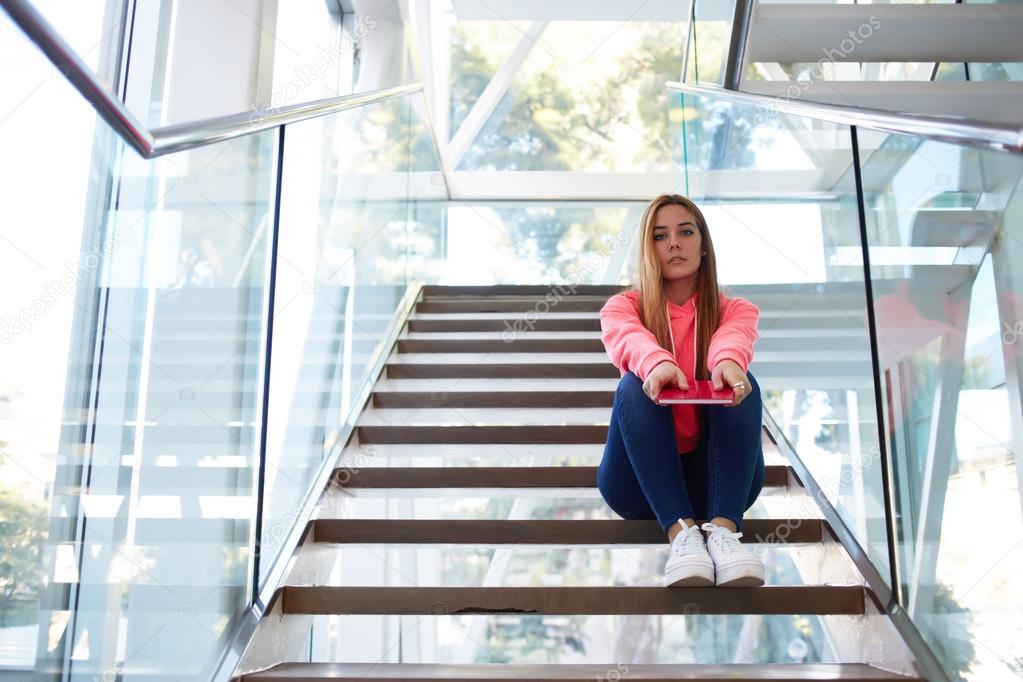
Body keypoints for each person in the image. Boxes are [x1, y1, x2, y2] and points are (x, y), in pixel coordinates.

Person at [597, 194, 766, 588]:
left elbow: (734, 338)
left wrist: (728, 364)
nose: (674, 243)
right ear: (648, 249)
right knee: (634, 383)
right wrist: (657, 364)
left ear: (703, 245)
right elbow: (628, 339)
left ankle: (723, 532)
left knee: (744, 381)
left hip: (716, 485)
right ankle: (682, 535)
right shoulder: (622, 307)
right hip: (637, 484)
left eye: (685, 232)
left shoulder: (736, 309)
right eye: (660, 236)